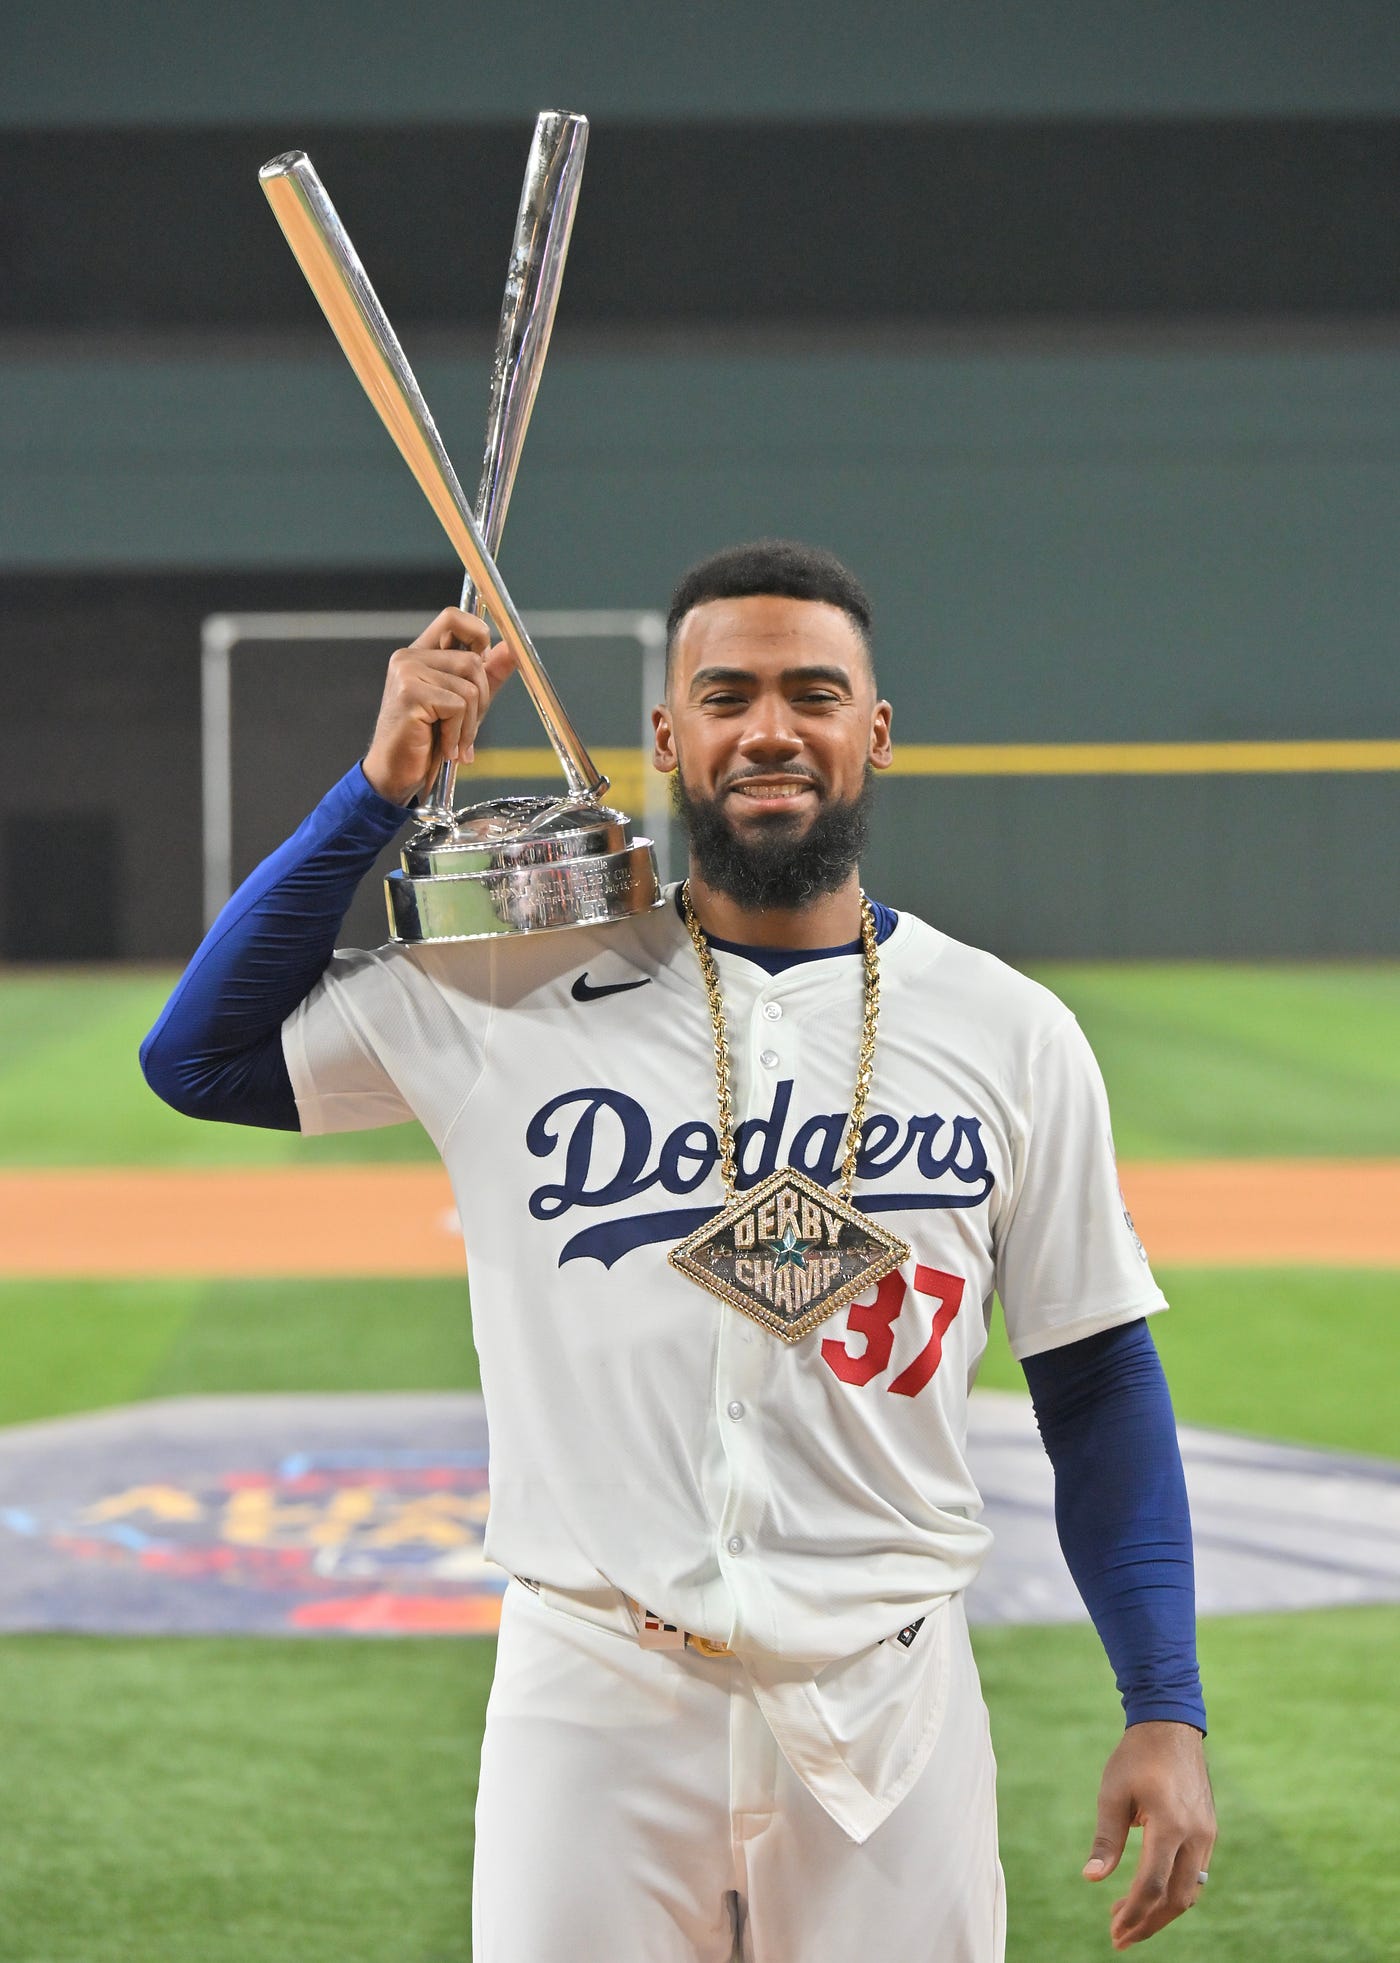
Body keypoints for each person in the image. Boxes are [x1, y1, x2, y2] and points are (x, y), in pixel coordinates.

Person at [142, 539, 1216, 1960]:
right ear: (668, 735)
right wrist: (378, 795)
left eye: (813, 692)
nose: (771, 728)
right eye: (727, 695)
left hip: (890, 1706)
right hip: (592, 1697)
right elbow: (199, 1058)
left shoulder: (1012, 1034)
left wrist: (1166, 1703)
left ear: (874, 731)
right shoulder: (506, 993)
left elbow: (1094, 1381)